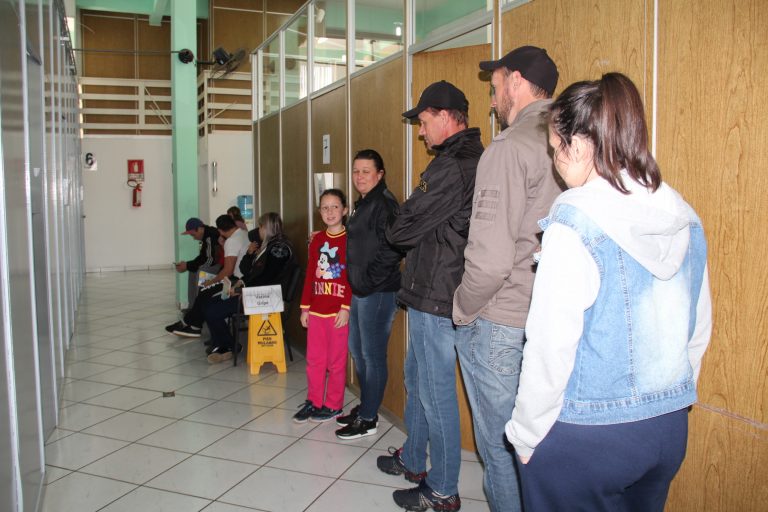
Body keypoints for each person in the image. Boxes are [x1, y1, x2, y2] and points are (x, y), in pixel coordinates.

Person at [505, 72, 712, 511]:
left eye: (556, 150)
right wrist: (668, 402)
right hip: (666, 429)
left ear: (579, 147)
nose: (556, 163)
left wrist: (525, 433)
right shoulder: (683, 215)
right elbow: (697, 328)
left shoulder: (574, 221)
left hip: (586, 437)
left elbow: (549, 345)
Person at [451, 46, 562, 512]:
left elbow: (491, 260)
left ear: (516, 81)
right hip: (552, 317)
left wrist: (462, 308)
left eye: (495, 88)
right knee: (537, 447)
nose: (493, 100)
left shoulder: (509, 148)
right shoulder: (572, 141)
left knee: (501, 449)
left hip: (502, 319)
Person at [379, 80, 483, 512]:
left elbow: (400, 228)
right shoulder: (465, 159)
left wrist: (404, 218)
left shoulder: (451, 166)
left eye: (423, 122)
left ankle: (442, 488)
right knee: (418, 380)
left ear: (444, 116)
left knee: (435, 394)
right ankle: (413, 458)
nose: (421, 132)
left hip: (437, 295)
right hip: (433, 291)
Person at [335, 149, 402, 440]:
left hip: (379, 292)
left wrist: (369, 280)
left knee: (372, 356)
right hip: (361, 290)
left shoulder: (384, 204)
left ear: (380, 174)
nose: (359, 176)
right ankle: (366, 405)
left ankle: (369, 418)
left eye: (366, 171)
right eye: (356, 171)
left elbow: (393, 249)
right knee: (358, 351)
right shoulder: (363, 203)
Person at [293, 189, 352, 423]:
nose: (330, 212)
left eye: (335, 206)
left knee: (336, 362)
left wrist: (346, 307)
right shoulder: (317, 240)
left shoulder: (350, 239)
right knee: (314, 361)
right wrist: (305, 308)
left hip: (338, 312)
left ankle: (334, 405)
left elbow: (351, 276)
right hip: (316, 311)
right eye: (325, 208)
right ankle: (314, 401)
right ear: (319, 212)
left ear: (344, 210)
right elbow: (310, 275)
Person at [204, 212, 296, 363]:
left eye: (260, 227)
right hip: (258, 292)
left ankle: (226, 346)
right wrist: (243, 278)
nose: (258, 231)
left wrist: (241, 291)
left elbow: (267, 278)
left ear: (265, 227)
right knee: (211, 303)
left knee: (213, 310)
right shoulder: (270, 246)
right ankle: (224, 343)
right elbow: (251, 271)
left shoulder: (279, 248)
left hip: (266, 297)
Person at [169, 214, 249, 338]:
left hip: (236, 281)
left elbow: (227, 270)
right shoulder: (244, 234)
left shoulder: (231, 241)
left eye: (192, 234)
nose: (193, 237)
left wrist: (212, 282)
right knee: (204, 290)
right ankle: (192, 323)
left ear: (220, 230)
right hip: (241, 278)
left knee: (205, 290)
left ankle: (192, 325)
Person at [169, 217, 222, 315]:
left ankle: (199, 310)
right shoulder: (206, 237)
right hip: (215, 263)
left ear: (200, 229)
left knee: (202, 270)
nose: (193, 238)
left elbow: (210, 260)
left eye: (193, 234)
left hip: (221, 266)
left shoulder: (210, 236)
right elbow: (203, 257)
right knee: (193, 270)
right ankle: (192, 307)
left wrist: (187, 265)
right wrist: (188, 265)